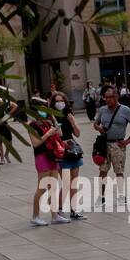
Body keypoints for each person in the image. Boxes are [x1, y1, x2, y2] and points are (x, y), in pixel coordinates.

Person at [94, 85, 130, 208]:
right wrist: (98, 127)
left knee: (119, 172)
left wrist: (128, 140)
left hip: (118, 144)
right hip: (104, 145)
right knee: (102, 171)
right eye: (106, 97)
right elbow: (95, 123)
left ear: (117, 96)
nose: (108, 99)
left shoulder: (125, 110)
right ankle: (101, 197)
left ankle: (121, 196)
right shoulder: (103, 110)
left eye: (110, 97)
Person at [49, 91, 86, 221]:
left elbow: (77, 133)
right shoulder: (51, 117)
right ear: (53, 104)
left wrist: (73, 122)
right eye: (57, 101)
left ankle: (73, 210)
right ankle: (59, 209)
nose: (60, 103)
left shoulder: (69, 115)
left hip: (73, 150)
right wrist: (54, 121)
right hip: (60, 151)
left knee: (74, 182)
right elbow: (57, 135)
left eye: (62, 100)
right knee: (66, 182)